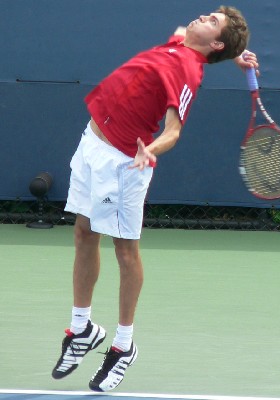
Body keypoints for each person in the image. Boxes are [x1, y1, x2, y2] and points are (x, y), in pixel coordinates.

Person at [52, 5, 259, 392]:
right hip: (92, 142)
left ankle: (124, 345)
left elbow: (174, 129)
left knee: (125, 252)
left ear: (213, 42)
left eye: (213, 21)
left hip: (124, 163)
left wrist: (151, 151)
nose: (203, 16)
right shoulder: (182, 42)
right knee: (83, 233)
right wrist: (235, 57)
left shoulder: (187, 72)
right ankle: (81, 329)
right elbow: (187, 30)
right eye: (210, 12)